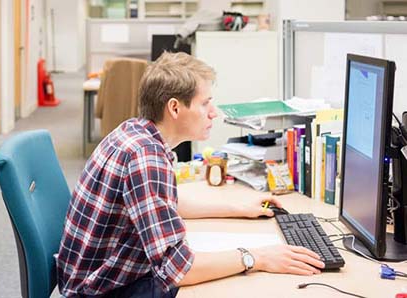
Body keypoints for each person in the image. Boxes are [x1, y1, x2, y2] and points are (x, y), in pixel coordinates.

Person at [56, 52, 324, 298]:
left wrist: (237, 207)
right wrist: (257, 257)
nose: (213, 112)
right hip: (101, 292)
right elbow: (179, 269)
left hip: (103, 276)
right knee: (233, 287)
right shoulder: (145, 158)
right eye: (205, 103)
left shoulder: (138, 132)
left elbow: (164, 201)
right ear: (174, 108)